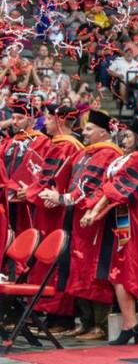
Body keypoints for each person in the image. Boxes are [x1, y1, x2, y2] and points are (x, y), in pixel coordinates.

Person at [38, 109, 123, 341]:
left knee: (95, 270)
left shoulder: (108, 155)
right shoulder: (86, 153)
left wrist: (64, 199)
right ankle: (84, 323)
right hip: (78, 217)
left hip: (95, 219)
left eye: (88, 129)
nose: (83, 132)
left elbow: (93, 186)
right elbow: (71, 181)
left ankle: (100, 326)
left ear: (103, 132)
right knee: (78, 268)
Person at [79, 118, 138, 345]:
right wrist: (91, 209)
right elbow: (105, 187)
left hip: (128, 219)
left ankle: (130, 324)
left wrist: (94, 211)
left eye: (128, 136)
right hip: (114, 217)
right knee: (115, 272)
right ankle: (129, 324)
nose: (124, 139)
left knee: (124, 270)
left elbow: (118, 189)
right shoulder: (124, 158)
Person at [23, 104, 84, 326]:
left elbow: (54, 181)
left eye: (49, 118)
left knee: (56, 261)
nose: (44, 122)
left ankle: (58, 315)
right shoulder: (58, 145)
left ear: (59, 121)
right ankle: (46, 312)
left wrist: (29, 192)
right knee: (44, 260)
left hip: (58, 212)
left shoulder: (67, 147)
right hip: (48, 210)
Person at [0, 98, 51, 236]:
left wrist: (29, 190)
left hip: (25, 197)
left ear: (30, 119)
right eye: (13, 118)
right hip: (5, 196)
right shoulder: (9, 141)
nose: (15, 122)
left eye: (20, 118)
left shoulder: (42, 141)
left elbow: (40, 170)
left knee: (24, 235)